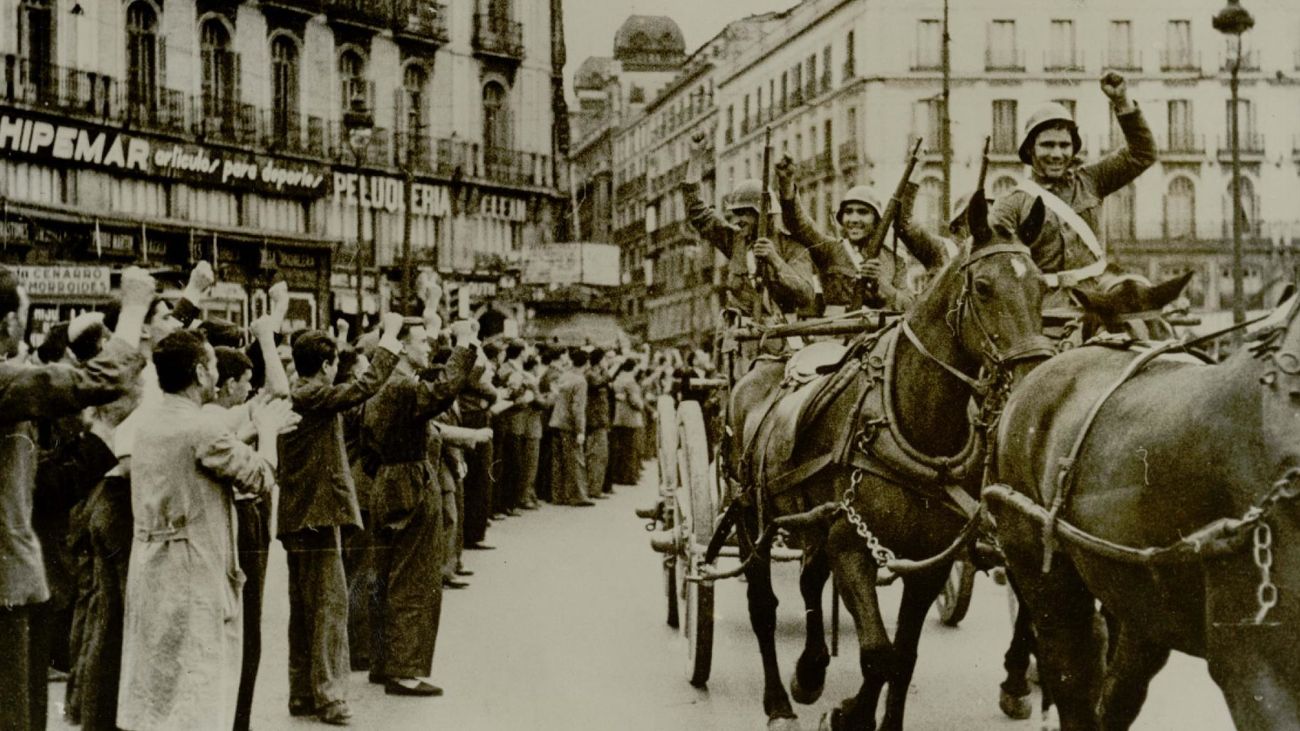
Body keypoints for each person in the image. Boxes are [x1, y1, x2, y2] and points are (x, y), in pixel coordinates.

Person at [116, 329, 293, 731]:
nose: (216, 373)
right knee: (198, 687)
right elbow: (262, 477)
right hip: (193, 570)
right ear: (200, 373)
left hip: (150, 566)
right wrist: (267, 431)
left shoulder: (148, 423)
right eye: (213, 365)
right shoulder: (200, 429)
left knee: (156, 687)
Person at [0, 266, 151, 731]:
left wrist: (96, 439)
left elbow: (41, 482)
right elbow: (100, 380)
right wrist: (133, 309)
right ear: (7, 324)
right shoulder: (5, 381)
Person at [278, 312, 405, 725]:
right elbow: (364, 387)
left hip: (299, 515)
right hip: (319, 513)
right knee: (330, 608)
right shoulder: (313, 394)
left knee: (303, 608)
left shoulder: (298, 391)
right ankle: (330, 696)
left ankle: (302, 690)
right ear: (327, 365)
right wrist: (389, 339)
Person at [363, 318, 478, 697]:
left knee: (387, 575)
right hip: (408, 479)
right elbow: (442, 390)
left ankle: (383, 661)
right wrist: (464, 343)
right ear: (402, 347)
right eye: (422, 342)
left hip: (386, 480)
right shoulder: (400, 385)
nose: (428, 347)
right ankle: (404, 669)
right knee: (414, 579)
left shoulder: (384, 382)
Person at [990, 71, 1155, 301]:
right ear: (1030, 149)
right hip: (1042, 312)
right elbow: (996, 269)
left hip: (1098, 304)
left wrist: (1122, 101)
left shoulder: (1091, 180)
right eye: (1047, 145)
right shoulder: (1011, 204)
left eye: (1064, 145)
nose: (1057, 154)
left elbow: (1142, 154)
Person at [776, 165, 946, 313]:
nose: (854, 219)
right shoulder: (830, 249)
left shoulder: (896, 259)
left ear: (877, 221)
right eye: (849, 212)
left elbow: (908, 305)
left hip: (879, 339)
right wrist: (787, 185)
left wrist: (882, 284)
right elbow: (800, 225)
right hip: (837, 337)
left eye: (863, 212)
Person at [548, 347, 592, 506]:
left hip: (556, 421)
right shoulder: (580, 381)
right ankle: (578, 495)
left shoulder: (564, 376)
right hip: (569, 424)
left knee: (558, 461)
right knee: (576, 460)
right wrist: (580, 430)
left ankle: (558, 495)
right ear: (586, 363)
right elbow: (577, 408)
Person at [609, 358, 645, 486]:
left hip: (619, 417)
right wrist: (642, 405)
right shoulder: (630, 381)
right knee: (630, 449)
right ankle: (628, 477)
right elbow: (635, 401)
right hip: (630, 418)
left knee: (620, 448)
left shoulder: (618, 379)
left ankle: (618, 475)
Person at [584, 347, 612, 498]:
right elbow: (600, 382)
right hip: (595, 421)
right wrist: (606, 370)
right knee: (597, 455)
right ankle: (593, 489)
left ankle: (595, 487)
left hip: (600, 419)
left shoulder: (595, 374)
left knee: (599, 455)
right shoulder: (591, 375)